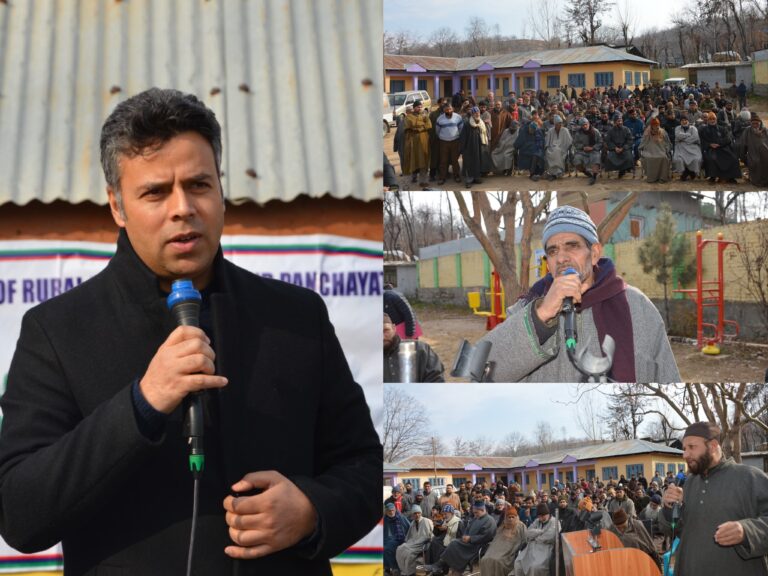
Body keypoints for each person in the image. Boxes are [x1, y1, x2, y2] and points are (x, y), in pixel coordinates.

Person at [0, 88, 381, 575]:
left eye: (199, 184)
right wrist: (142, 403)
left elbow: (365, 468)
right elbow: (20, 511)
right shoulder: (57, 330)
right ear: (117, 206)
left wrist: (311, 510)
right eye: (155, 192)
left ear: (221, 190)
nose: (183, 208)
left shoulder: (295, 316)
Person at [479, 205, 681, 383]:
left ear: (594, 254)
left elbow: (669, 377)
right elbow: (480, 373)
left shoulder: (639, 308)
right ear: (547, 263)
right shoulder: (527, 310)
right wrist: (541, 315)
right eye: (552, 251)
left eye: (572, 246)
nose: (561, 258)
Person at [659, 421, 768, 575]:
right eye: (684, 449)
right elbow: (676, 530)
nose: (685, 454)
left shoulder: (750, 477)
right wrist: (669, 508)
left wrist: (747, 531)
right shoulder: (689, 483)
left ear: (713, 445)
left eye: (691, 447)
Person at [424, 499, 497, 576]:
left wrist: (471, 538)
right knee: (444, 543)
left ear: (482, 510)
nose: (474, 515)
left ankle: (439, 566)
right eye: (474, 512)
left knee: (453, 543)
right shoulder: (476, 518)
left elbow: (486, 536)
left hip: (477, 546)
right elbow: (467, 529)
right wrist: (465, 536)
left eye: (476, 512)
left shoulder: (490, 521)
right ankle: (440, 567)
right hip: (467, 543)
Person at [383, 313, 445, 383]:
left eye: (386, 330)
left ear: (394, 328)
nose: (382, 337)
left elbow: (436, 379)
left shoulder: (421, 349)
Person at [478, 506, 527, 576]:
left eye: (513, 517)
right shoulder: (502, 526)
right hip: (496, 549)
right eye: (509, 517)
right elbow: (496, 540)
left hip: (509, 552)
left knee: (498, 562)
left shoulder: (521, 526)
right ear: (506, 517)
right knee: (485, 559)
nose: (511, 519)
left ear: (516, 517)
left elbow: (524, 540)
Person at [514, 503, 559, 576]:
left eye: (543, 516)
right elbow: (528, 533)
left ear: (548, 514)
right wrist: (541, 531)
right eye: (539, 516)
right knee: (518, 562)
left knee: (535, 567)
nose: (541, 518)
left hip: (546, 548)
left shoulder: (554, 522)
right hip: (532, 547)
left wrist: (535, 537)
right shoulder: (537, 521)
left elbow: (550, 536)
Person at [699, 111, 742, 184]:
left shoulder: (722, 128)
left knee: (733, 158)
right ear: (708, 120)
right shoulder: (704, 129)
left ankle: (731, 177)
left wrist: (719, 144)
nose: (712, 121)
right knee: (711, 158)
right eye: (710, 119)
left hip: (723, 148)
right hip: (711, 149)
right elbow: (702, 140)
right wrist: (710, 144)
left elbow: (728, 139)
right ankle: (713, 177)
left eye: (713, 119)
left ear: (716, 120)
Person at [395, 505, 434, 576]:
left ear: (421, 513)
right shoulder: (413, 522)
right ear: (412, 514)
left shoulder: (426, 521)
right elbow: (409, 536)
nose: (417, 515)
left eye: (418, 513)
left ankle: (409, 572)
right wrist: (407, 542)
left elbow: (428, 536)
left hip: (422, 544)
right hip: (413, 542)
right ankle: (403, 570)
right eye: (415, 513)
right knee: (399, 549)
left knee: (409, 553)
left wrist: (415, 542)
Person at [459, 106, 492, 187]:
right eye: (475, 113)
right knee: (469, 163)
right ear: (472, 114)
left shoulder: (481, 122)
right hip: (469, 147)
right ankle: (469, 180)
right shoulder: (467, 123)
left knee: (478, 162)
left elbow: (485, 134)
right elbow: (463, 137)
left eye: (478, 112)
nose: (477, 114)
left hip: (480, 146)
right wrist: (463, 149)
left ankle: (476, 177)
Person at [403, 99, 432, 186]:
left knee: (424, 159)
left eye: (421, 107)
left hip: (423, 141)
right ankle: (412, 177)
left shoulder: (425, 116)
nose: (420, 108)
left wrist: (418, 127)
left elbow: (429, 126)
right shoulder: (408, 117)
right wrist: (421, 125)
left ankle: (423, 181)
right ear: (414, 107)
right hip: (413, 141)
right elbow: (408, 126)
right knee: (413, 159)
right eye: (418, 107)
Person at [435, 103, 464, 185]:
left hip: (455, 141)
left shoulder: (458, 117)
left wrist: (457, 136)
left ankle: (457, 176)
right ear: (444, 110)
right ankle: (442, 177)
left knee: (455, 160)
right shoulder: (440, 119)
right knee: (443, 160)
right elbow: (437, 131)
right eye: (447, 109)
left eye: (450, 109)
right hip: (443, 142)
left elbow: (461, 128)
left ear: (453, 109)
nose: (448, 111)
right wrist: (443, 137)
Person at [738, 112, 768, 186]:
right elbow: (743, 144)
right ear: (751, 123)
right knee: (756, 162)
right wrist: (743, 156)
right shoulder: (747, 130)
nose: (755, 125)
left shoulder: (764, 130)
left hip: (765, 153)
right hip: (752, 153)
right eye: (753, 123)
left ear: (760, 123)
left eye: (757, 123)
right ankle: (758, 181)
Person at [639, 117, 672, 183]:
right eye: (655, 125)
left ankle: (662, 178)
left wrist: (667, 149)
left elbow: (668, 142)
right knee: (648, 158)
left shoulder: (663, 131)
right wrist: (641, 149)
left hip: (661, 149)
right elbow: (643, 142)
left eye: (658, 125)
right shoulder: (647, 133)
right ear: (652, 126)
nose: (656, 127)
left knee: (664, 158)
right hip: (649, 150)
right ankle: (652, 178)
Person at [571, 117, 602, 185]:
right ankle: (586, 172)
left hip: (593, 150)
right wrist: (583, 147)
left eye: (586, 124)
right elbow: (575, 143)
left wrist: (592, 148)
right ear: (581, 126)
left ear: (588, 123)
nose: (585, 126)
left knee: (596, 158)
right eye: (583, 125)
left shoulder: (595, 131)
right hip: (582, 151)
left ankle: (594, 176)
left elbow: (600, 142)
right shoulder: (578, 133)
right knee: (576, 160)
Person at [672, 113, 702, 181]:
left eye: (685, 120)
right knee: (678, 159)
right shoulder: (677, 128)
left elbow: (695, 138)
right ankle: (686, 173)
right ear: (680, 121)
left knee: (696, 158)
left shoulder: (693, 128)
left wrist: (684, 139)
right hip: (680, 147)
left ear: (688, 121)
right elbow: (678, 136)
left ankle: (690, 172)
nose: (684, 121)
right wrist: (689, 135)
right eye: (682, 120)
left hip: (692, 147)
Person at [384, 503, 411, 575]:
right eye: (389, 511)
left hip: (404, 538)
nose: (391, 512)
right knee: (386, 548)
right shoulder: (385, 519)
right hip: (393, 539)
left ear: (395, 510)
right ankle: (393, 567)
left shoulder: (401, 517)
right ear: (386, 511)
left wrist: (409, 538)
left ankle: (397, 568)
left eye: (392, 510)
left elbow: (409, 527)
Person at [543, 114, 572, 180]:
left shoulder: (565, 130)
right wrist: (547, 147)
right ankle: (553, 172)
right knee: (550, 152)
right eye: (558, 124)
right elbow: (547, 141)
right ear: (555, 124)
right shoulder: (550, 130)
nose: (560, 125)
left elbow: (569, 141)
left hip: (562, 148)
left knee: (557, 151)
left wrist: (564, 147)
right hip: (551, 148)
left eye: (561, 123)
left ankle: (558, 171)